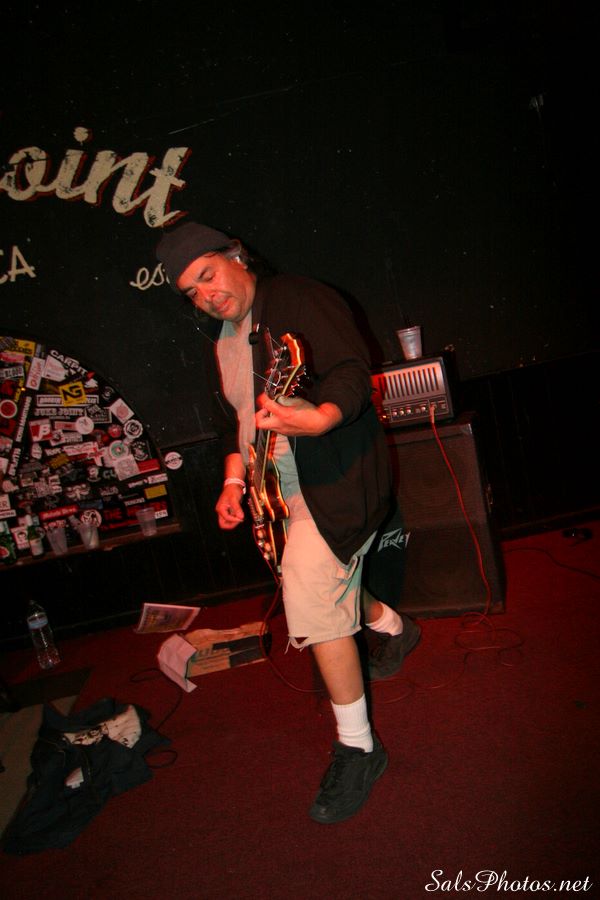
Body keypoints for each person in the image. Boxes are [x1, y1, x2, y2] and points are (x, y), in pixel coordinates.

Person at [156, 222, 421, 824]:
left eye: (208, 275)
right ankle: (396, 628)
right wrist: (232, 483)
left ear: (236, 257)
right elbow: (236, 424)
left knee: (310, 586)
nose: (206, 295)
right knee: (323, 585)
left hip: (334, 475)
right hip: (270, 489)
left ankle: (360, 748)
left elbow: (350, 370)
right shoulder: (225, 341)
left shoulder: (296, 297)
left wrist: (322, 417)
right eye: (192, 292)